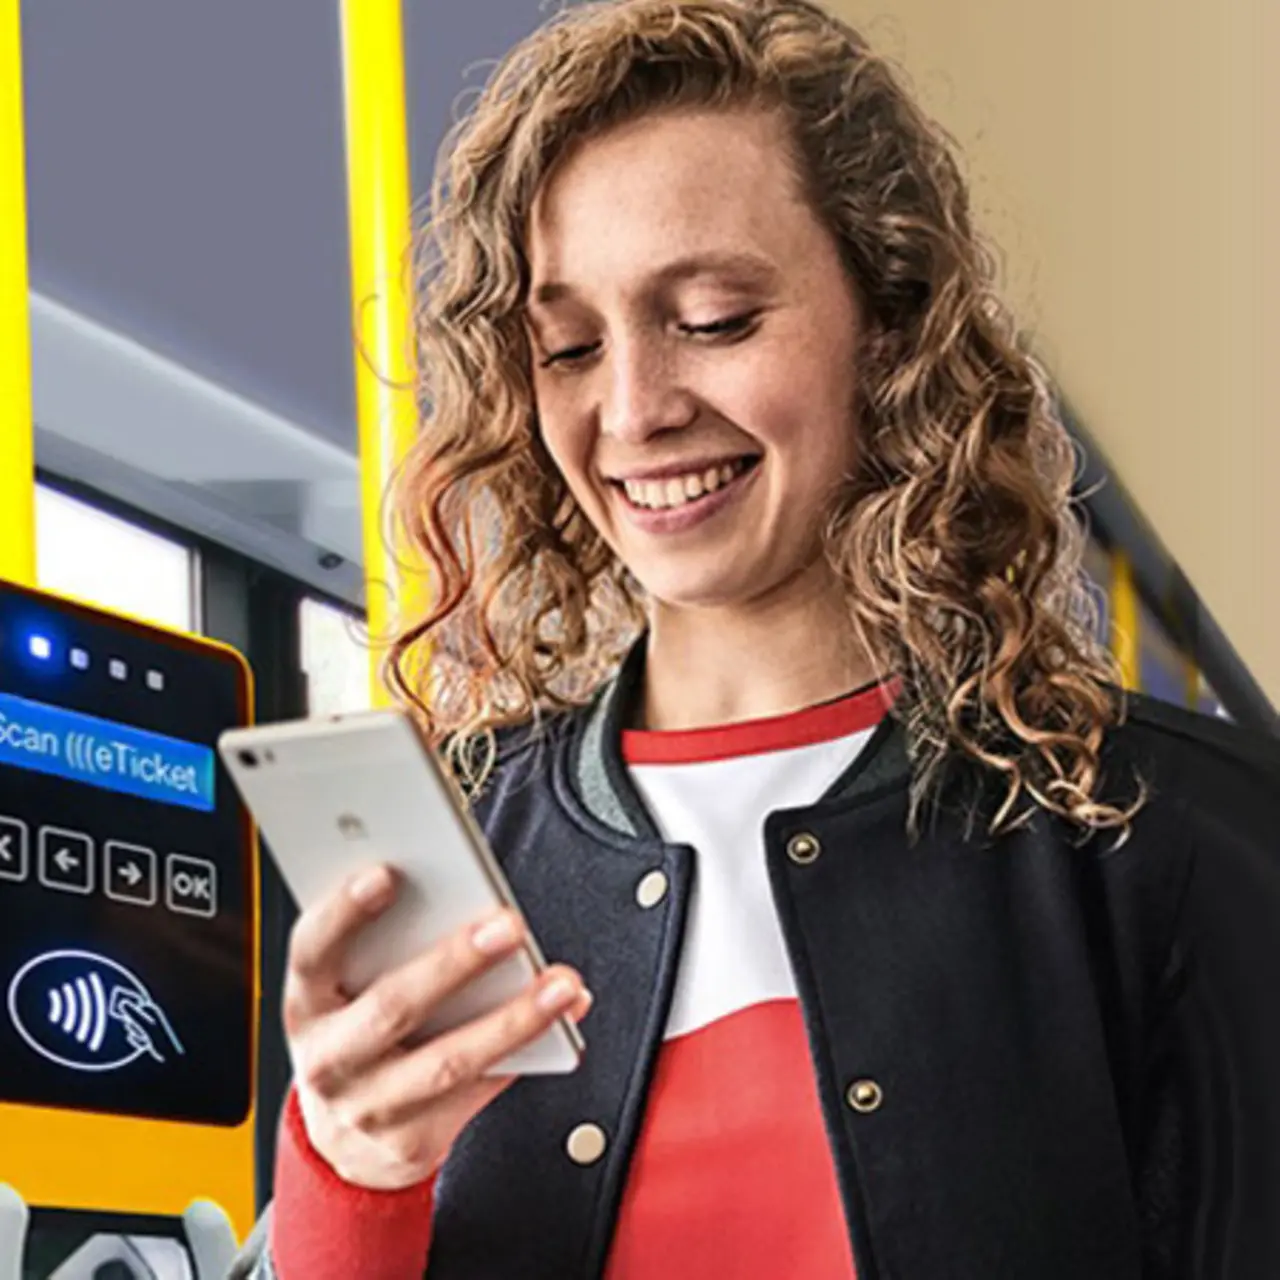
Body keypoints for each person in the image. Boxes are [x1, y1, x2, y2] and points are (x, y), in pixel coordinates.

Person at [230, 1, 1280, 1276]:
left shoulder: (1178, 833)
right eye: (568, 345)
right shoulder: (469, 847)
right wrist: (350, 1172)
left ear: (886, 325)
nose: (632, 409)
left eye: (715, 318)